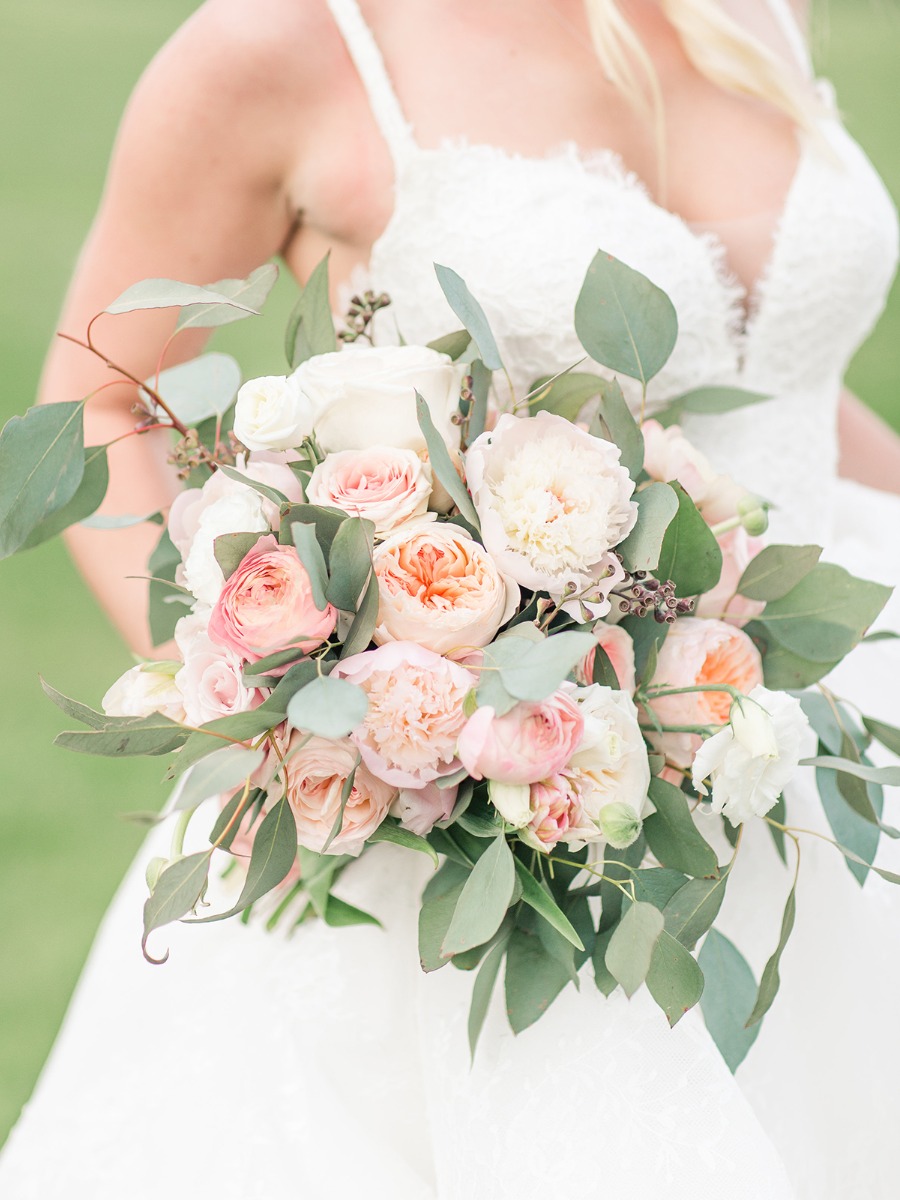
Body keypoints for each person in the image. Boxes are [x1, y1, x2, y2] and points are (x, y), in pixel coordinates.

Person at [2, 1, 899, 1196]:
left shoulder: (752, 11)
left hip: (833, 754)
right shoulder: (286, 43)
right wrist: (265, 697)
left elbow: (780, 379)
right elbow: (102, 401)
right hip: (493, 821)